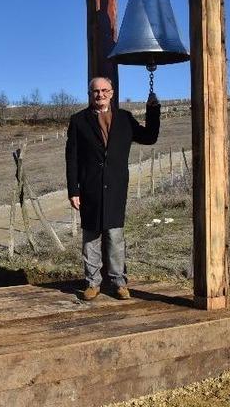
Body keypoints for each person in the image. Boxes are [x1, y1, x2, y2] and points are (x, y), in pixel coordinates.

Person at [65, 77, 160, 301]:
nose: (100, 94)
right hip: (89, 187)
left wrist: (153, 110)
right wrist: (73, 190)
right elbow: (72, 159)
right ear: (90, 93)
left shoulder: (125, 118)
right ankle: (92, 283)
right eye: (95, 91)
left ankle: (119, 282)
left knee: (115, 236)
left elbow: (149, 137)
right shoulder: (78, 121)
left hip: (116, 187)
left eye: (104, 90)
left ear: (112, 92)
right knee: (91, 237)